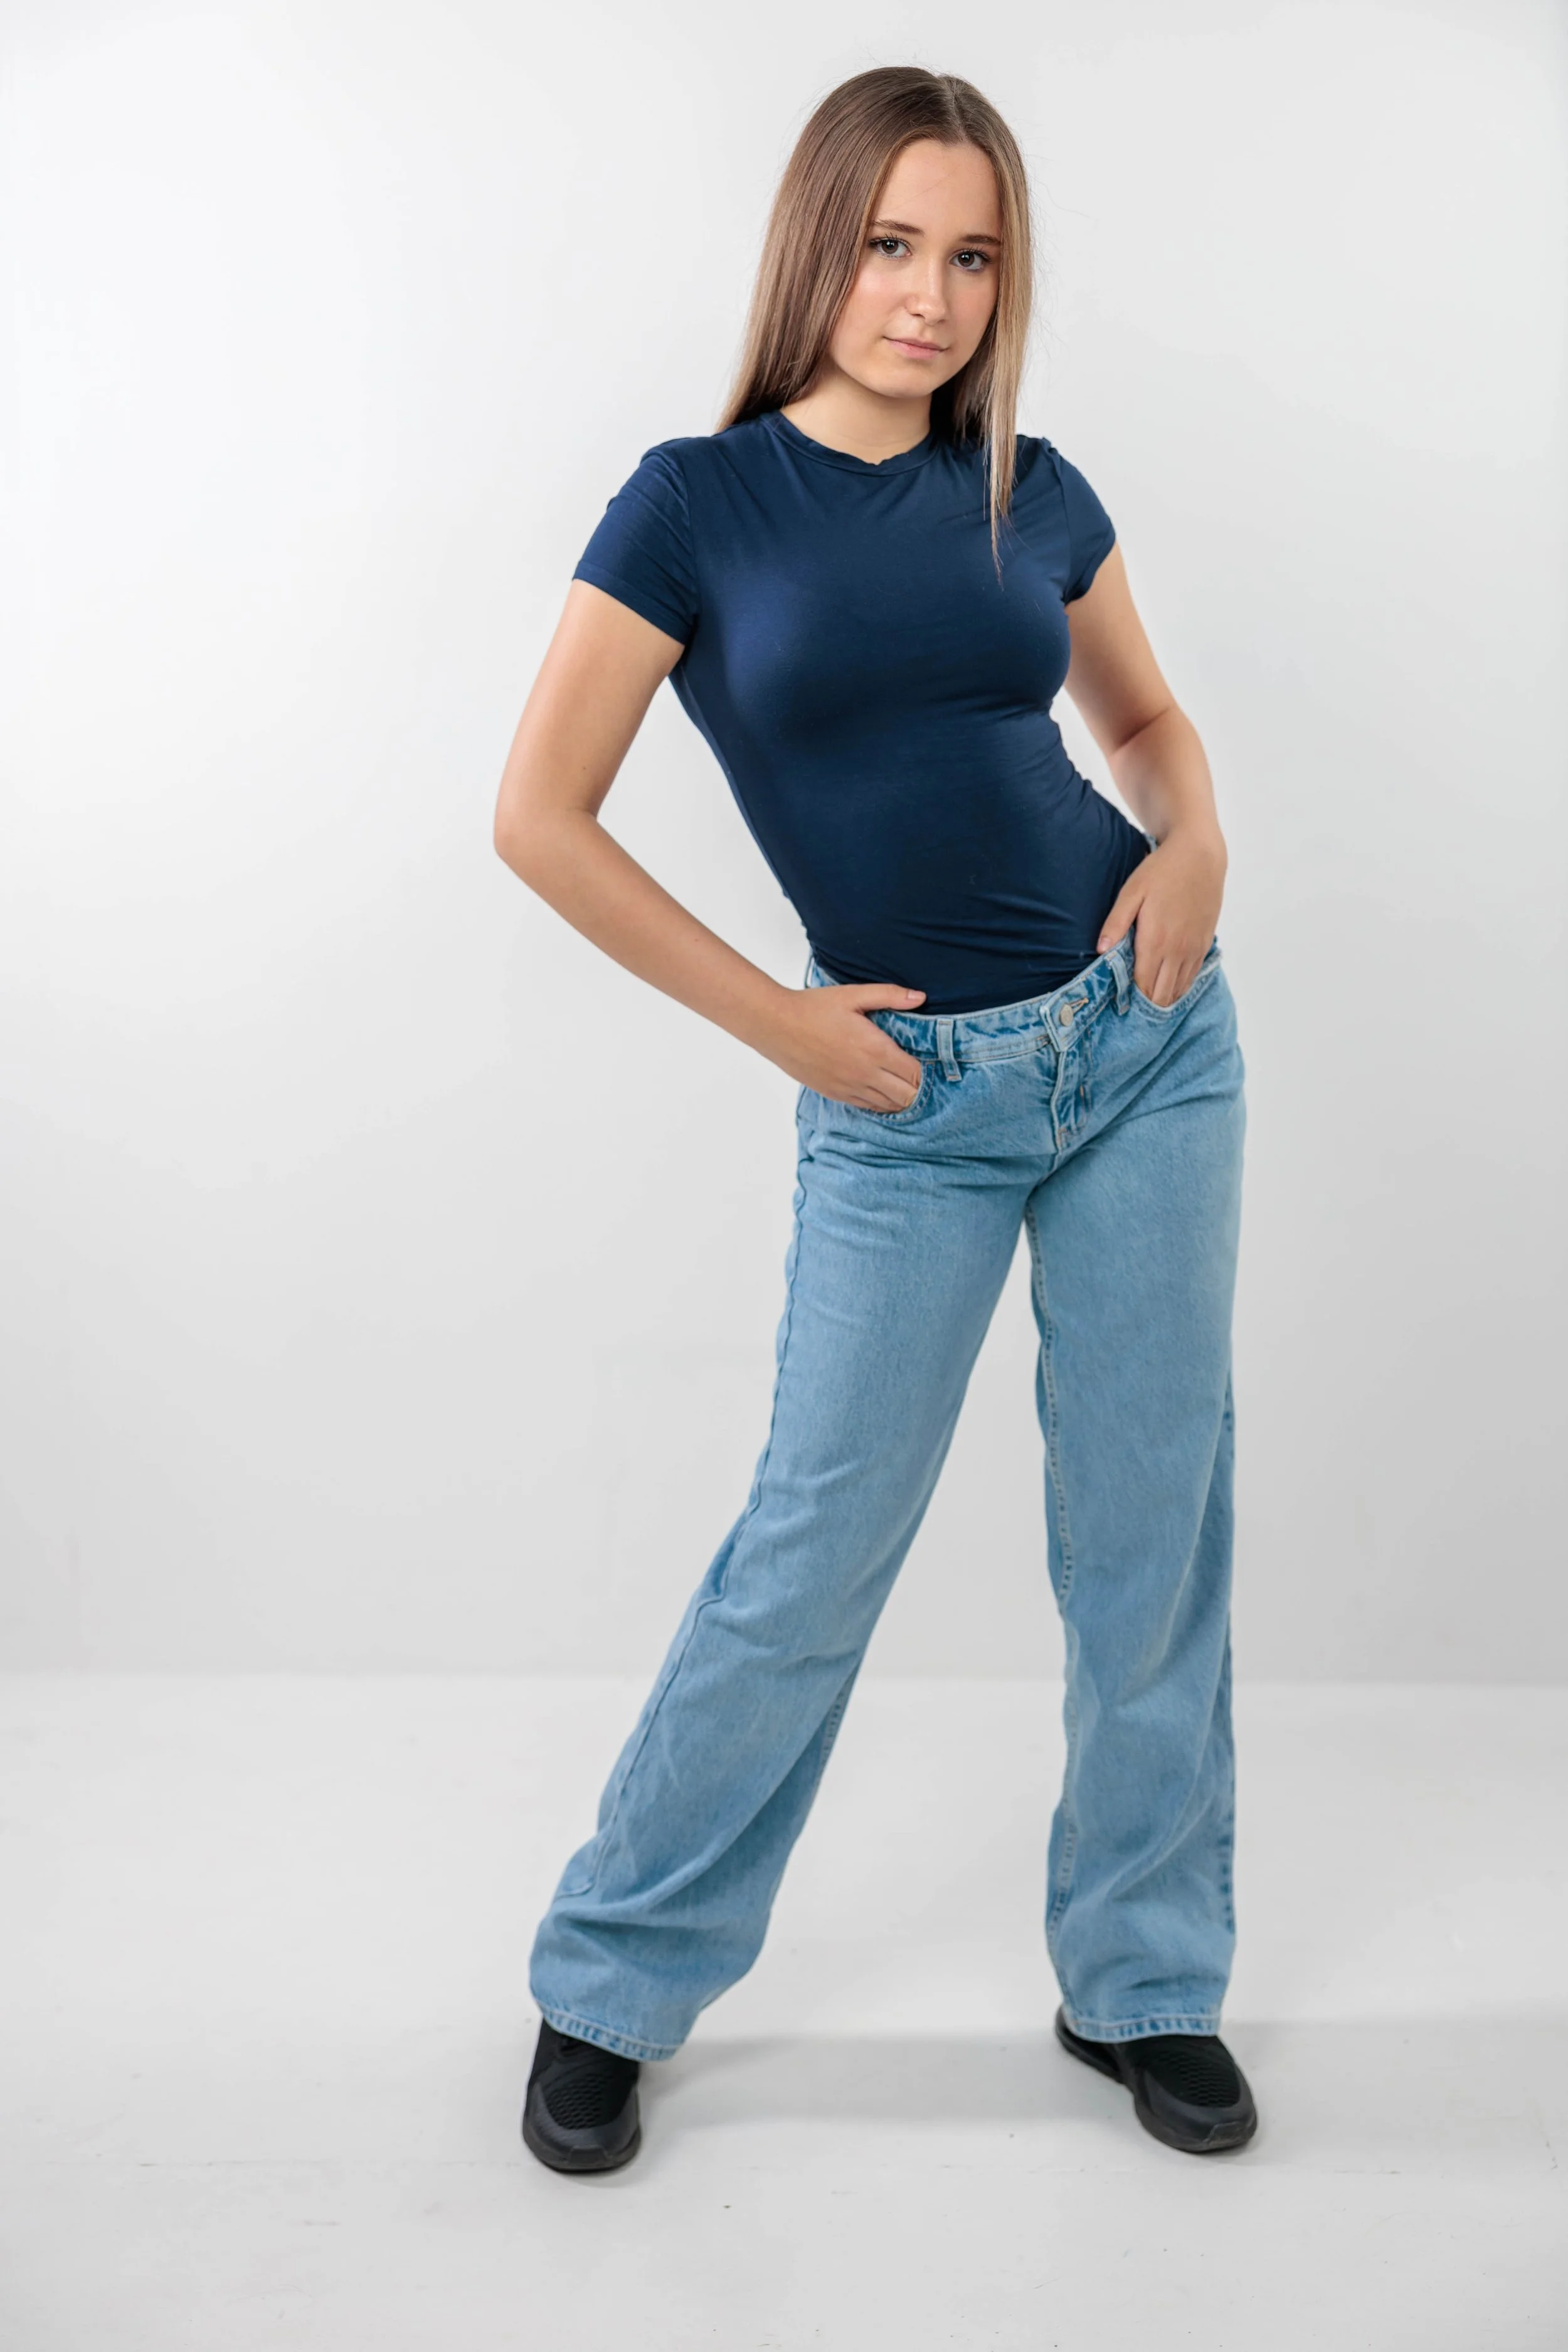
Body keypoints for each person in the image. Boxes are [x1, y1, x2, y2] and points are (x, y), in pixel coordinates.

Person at [494, 63, 1256, 2173]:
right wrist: (783, 1029)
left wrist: (1194, 836)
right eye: (891, 243)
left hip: (1142, 1043)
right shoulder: (692, 505)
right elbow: (539, 818)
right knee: (812, 1545)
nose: (928, 296)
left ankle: (1142, 1979)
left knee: (1148, 1530)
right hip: (903, 1098)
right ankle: (611, 1976)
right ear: (816, 245)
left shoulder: (1033, 484)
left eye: (972, 256)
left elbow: (1142, 716)